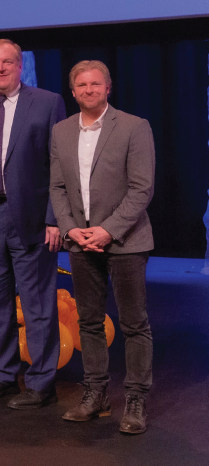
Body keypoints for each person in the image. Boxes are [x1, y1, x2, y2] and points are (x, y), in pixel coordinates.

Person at [50, 60, 155, 434]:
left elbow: (142, 188)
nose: (89, 90)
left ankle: (136, 398)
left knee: (133, 323)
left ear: (108, 88)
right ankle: (95, 394)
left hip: (125, 241)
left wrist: (107, 231)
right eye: (82, 85)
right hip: (80, 242)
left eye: (96, 84)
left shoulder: (133, 126)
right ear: (73, 90)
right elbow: (58, 188)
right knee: (89, 322)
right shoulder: (61, 131)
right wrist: (70, 229)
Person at [0, 39, 65, 409]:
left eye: (8, 62)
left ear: (20, 66)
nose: (0, 68)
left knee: (37, 304)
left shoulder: (47, 102)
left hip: (33, 219)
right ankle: (3, 376)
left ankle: (41, 382)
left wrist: (55, 218)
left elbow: (59, 165)